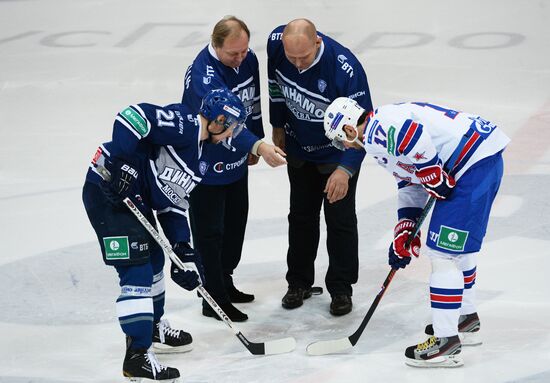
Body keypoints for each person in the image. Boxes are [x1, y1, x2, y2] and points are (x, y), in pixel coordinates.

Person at [82, 88, 285, 381]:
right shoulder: (184, 123)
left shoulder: (204, 156)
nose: (231, 134)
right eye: (230, 126)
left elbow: (172, 202)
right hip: (107, 192)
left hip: (135, 199)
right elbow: (131, 117)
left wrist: (181, 248)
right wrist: (122, 163)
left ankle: (152, 327)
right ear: (216, 120)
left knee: (154, 262)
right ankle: (137, 356)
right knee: (137, 270)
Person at [324, 97, 510, 367]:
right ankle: (465, 318)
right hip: (479, 160)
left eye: (342, 140)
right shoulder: (380, 135)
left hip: (472, 165)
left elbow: (413, 135)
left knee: (444, 255)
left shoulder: (378, 128)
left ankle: (446, 342)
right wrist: (405, 227)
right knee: (456, 252)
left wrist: (432, 173)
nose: (345, 147)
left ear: (350, 129)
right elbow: (410, 182)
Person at [267, 18, 373, 316]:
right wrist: (277, 125)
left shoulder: (345, 69)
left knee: (339, 220)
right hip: (299, 147)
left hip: (336, 156)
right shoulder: (276, 43)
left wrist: (346, 170)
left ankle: (341, 287)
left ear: (318, 42)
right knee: (301, 216)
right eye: (292, 58)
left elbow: (363, 129)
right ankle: (298, 282)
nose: (298, 64)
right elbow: (274, 84)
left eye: (305, 57)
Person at [182, 16, 267, 322]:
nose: (240, 58)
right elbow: (226, 123)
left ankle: (225, 281)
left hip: (235, 164)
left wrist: (256, 138)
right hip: (206, 167)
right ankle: (212, 297)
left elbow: (252, 102)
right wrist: (256, 146)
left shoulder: (248, 59)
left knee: (234, 226)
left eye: (244, 51)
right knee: (210, 233)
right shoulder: (203, 78)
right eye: (233, 54)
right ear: (216, 45)